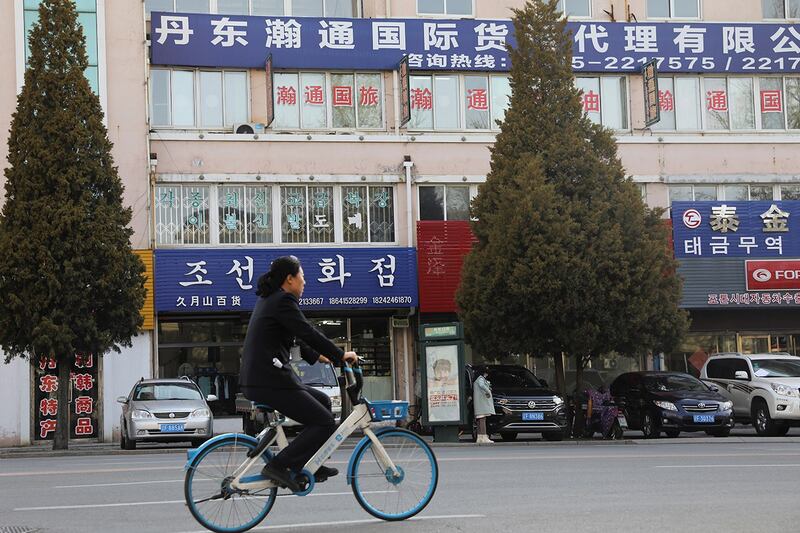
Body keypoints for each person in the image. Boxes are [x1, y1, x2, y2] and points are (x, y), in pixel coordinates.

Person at [239, 255, 358, 490]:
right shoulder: (283, 301)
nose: (305, 282)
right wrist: (340, 355)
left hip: (264, 377)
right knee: (324, 422)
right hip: (269, 379)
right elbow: (307, 332)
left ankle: (309, 461)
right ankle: (279, 465)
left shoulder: (271, 299)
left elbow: (296, 337)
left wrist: (319, 357)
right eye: (302, 276)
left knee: (324, 401)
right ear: (290, 279)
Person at [473, 368, 496, 444]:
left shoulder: (476, 379)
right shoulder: (480, 378)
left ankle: (480, 437)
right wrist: (488, 391)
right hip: (482, 403)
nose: (487, 375)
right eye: (486, 373)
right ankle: (484, 436)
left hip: (479, 403)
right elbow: (482, 385)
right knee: (483, 419)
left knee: (480, 420)